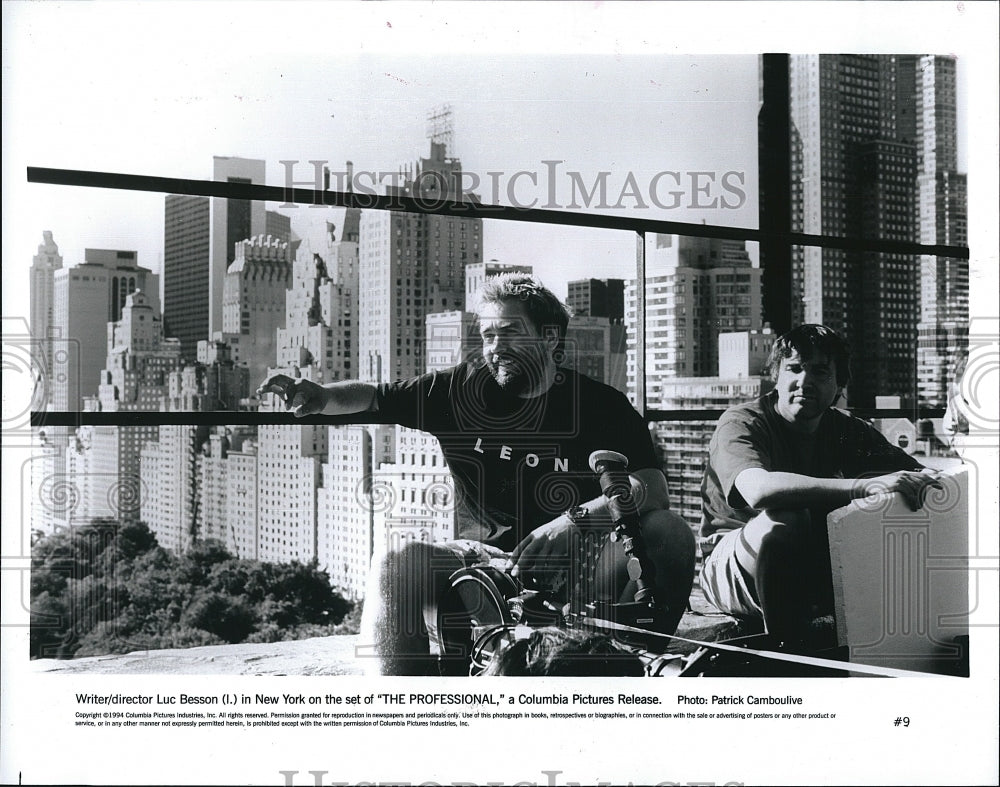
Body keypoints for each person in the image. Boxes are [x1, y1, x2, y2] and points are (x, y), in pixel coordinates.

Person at [258, 274, 695, 675]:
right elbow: (376, 398)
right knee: (396, 563)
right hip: (485, 561)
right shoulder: (460, 389)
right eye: (487, 335)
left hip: (585, 560)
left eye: (509, 332)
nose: (494, 347)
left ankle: (628, 677)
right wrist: (317, 396)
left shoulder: (603, 405)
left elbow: (652, 488)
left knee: (670, 532)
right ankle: (399, 712)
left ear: (550, 337)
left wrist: (575, 521)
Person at [699, 324, 942, 648]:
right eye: (794, 369)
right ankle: (786, 653)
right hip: (731, 568)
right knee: (787, 517)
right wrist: (862, 487)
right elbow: (759, 490)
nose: (805, 381)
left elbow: (922, 477)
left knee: (903, 503)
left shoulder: (847, 429)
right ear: (776, 375)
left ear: (840, 384)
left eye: (820, 371)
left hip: (810, 562)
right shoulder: (742, 421)